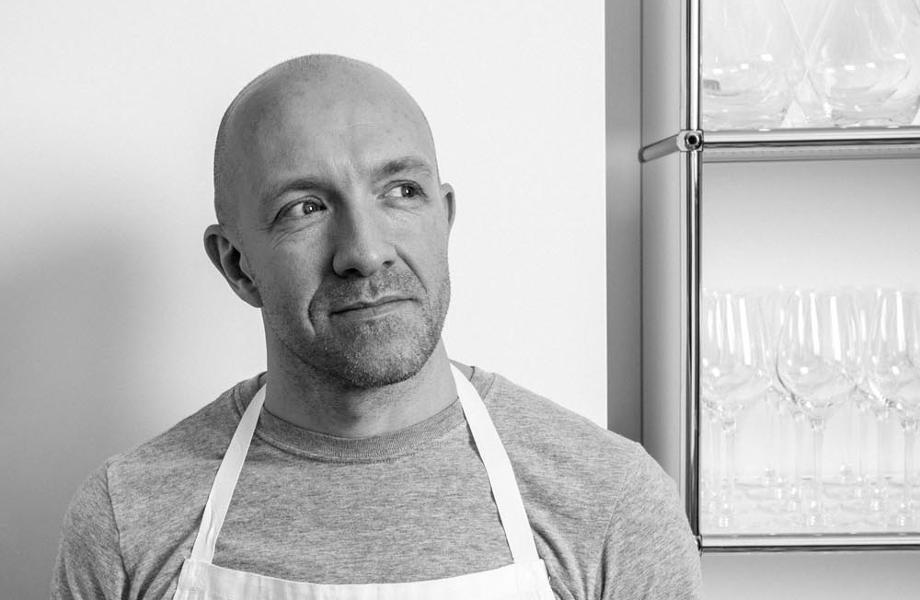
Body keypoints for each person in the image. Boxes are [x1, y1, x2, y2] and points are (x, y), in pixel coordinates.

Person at [52, 54, 702, 600]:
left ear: (444, 218)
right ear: (237, 264)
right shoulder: (127, 518)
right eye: (305, 207)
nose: (364, 251)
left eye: (401, 191)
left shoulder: (610, 504)